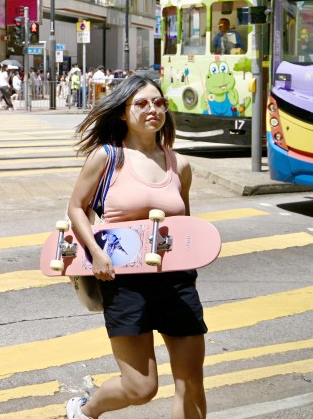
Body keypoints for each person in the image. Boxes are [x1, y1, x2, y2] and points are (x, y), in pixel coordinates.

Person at [65, 76, 206, 419]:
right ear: (124, 113)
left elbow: (184, 222)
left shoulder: (179, 165)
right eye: (141, 104)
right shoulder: (107, 158)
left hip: (175, 280)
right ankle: (85, 411)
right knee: (141, 387)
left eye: (158, 103)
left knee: (191, 382)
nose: (152, 109)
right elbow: (76, 207)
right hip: (123, 281)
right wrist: (96, 253)